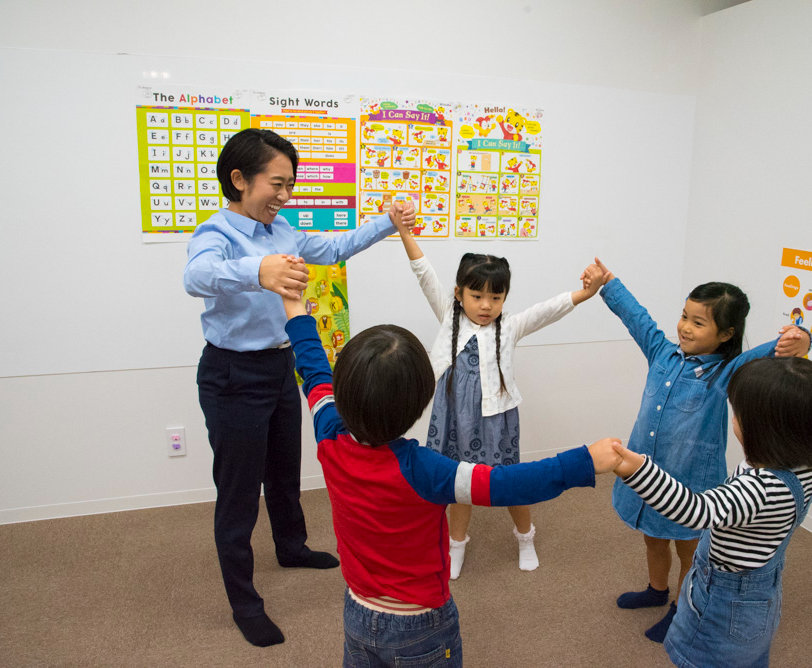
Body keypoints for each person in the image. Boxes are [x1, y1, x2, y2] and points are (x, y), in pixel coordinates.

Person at [281, 288, 624, 667]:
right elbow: (506, 484)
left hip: (357, 611)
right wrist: (584, 462)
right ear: (418, 403)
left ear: (343, 390)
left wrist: (296, 308)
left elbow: (314, 370)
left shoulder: (329, 435)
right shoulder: (425, 470)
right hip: (419, 624)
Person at [183, 128, 415, 647]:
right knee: (239, 493)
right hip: (231, 376)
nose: (285, 196)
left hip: (278, 367)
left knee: (285, 471)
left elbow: (333, 248)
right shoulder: (216, 234)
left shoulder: (281, 229)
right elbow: (196, 277)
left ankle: (291, 546)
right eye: (277, 183)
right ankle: (245, 602)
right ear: (239, 179)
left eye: (291, 185)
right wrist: (256, 270)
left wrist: (387, 223)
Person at [585, 258, 811, 642]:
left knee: (689, 551)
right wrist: (608, 283)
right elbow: (637, 318)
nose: (685, 327)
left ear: (726, 334)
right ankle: (657, 591)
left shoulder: (728, 371)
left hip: (692, 485)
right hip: (646, 477)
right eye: (684, 316)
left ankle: (681, 608)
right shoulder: (662, 352)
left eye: (698, 322)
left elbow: (772, 351)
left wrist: (801, 337)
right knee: (652, 537)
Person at [395, 227, 605, 578]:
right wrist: (403, 230)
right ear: (460, 294)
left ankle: (525, 537)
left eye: (496, 297)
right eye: (477, 296)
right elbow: (423, 271)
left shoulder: (510, 326)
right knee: (456, 481)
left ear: (505, 298)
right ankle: (456, 545)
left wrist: (587, 291)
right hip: (452, 416)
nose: (486, 305)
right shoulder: (449, 314)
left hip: (496, 418)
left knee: (509, 481)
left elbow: (550, 309)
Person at [611, 357, 812, 667]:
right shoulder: (804, 470)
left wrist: (639, 471)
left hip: (725, 598)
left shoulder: (761, 488)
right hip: (762, 591)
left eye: (738, 416)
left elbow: (696, 510)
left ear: (764, 431)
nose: (733, 421)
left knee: (701, 658)